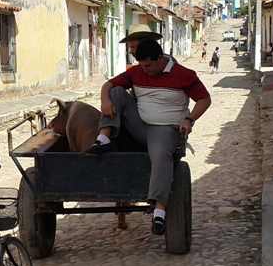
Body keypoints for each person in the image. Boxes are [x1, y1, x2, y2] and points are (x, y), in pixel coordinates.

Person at [87, 40, 211, 236]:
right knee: (117, 92)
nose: (145, 70)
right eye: (142, 65)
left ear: (160, 58)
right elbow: (109, 84)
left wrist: (189, 119)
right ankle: (103, 138)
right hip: (140, 125)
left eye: (149, 65)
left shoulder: (184, 75)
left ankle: (159, 210)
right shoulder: (138, 72)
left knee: (161, 154)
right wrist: (105, 99)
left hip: (165, 128)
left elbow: (205, 99)